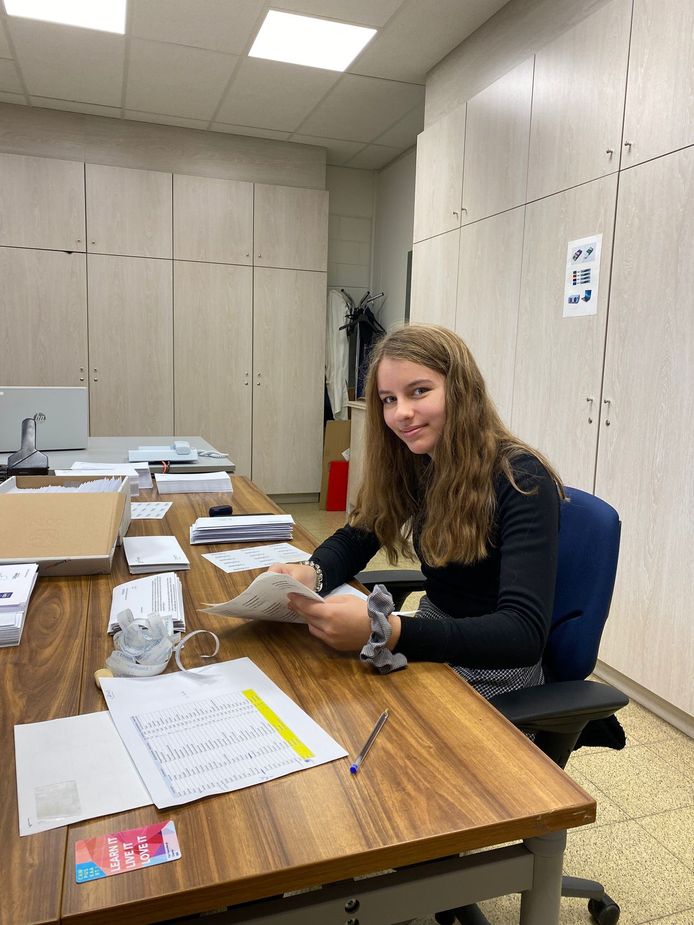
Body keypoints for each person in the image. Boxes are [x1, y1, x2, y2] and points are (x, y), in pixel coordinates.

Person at [269, 324, 564, 700]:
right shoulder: (422, 462)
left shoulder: (522, 478)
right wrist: (312, 573)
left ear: (461, 390)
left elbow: (522, 633)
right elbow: (359, 535)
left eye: (419, 391)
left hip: (496, 671)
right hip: (433, 637)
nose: (401, 413)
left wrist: (391, 632)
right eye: (388, 399)